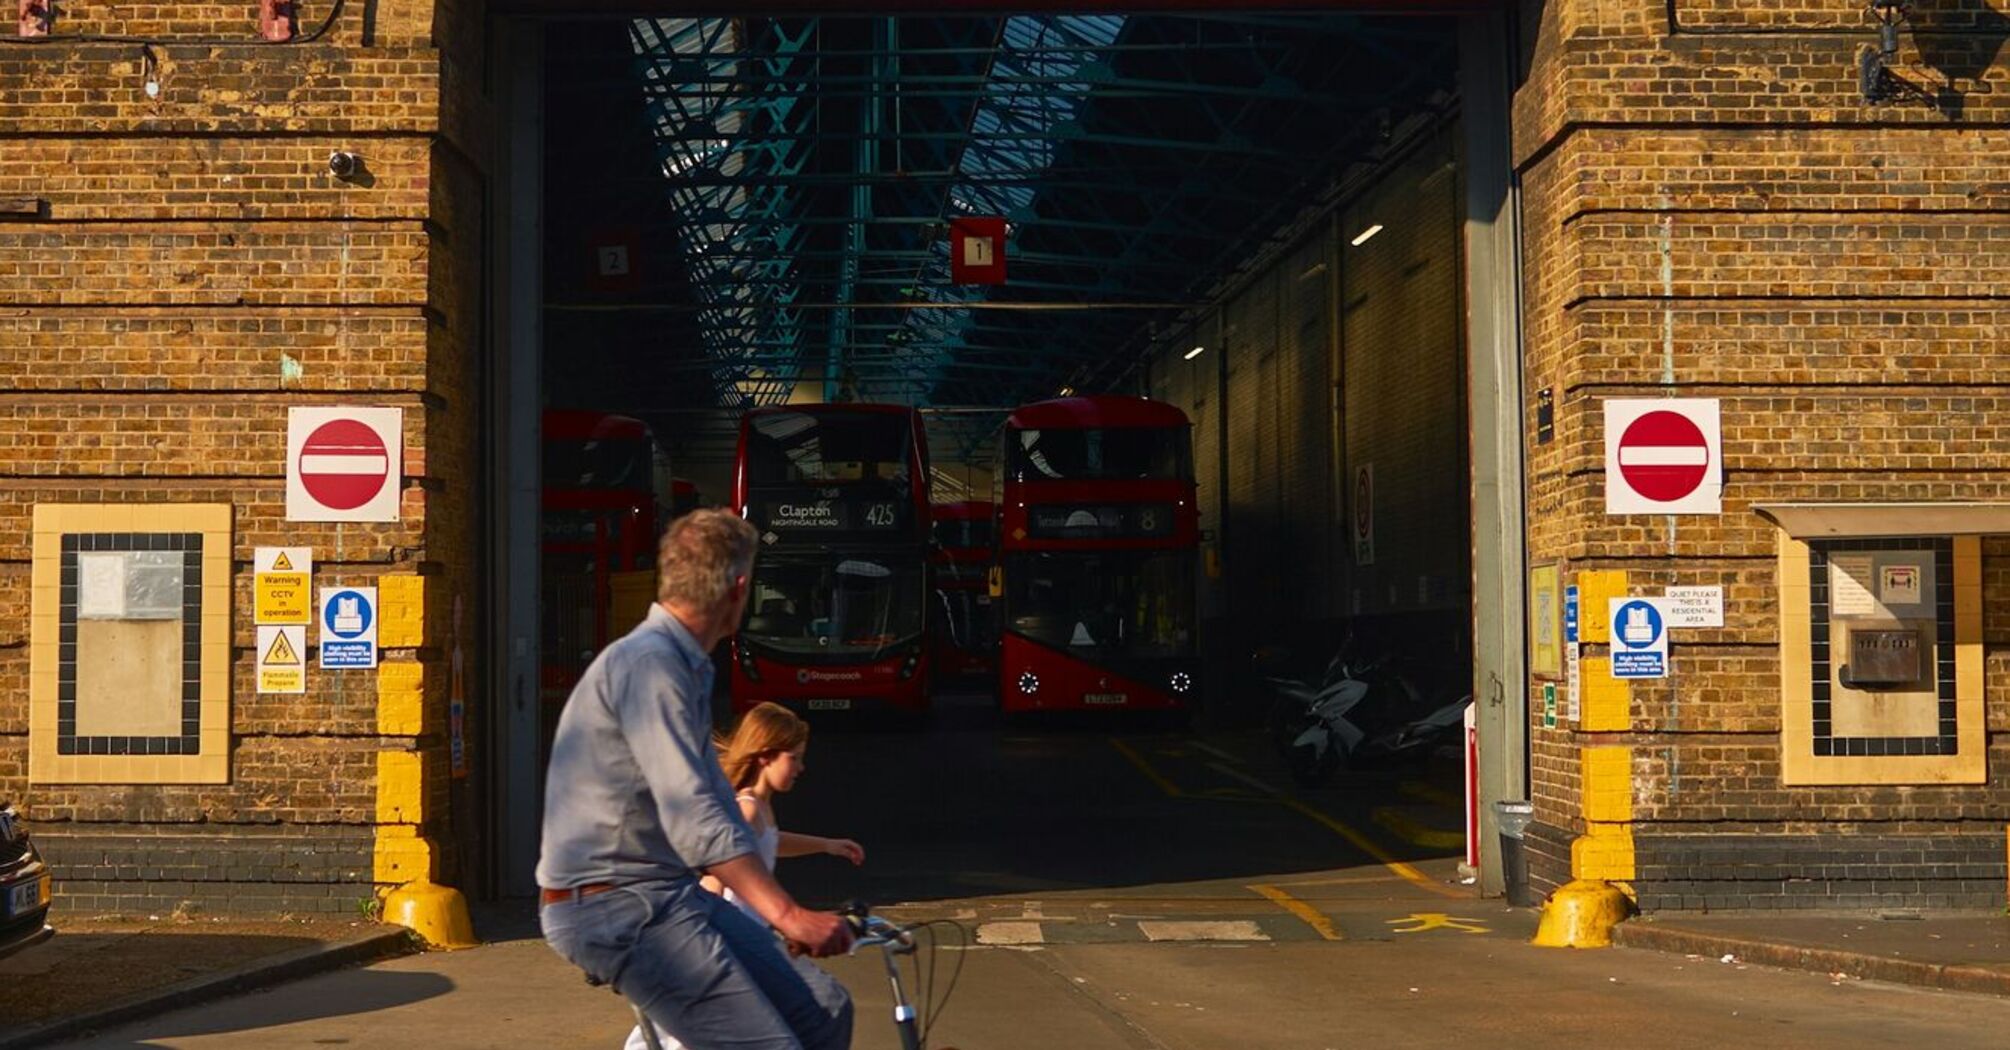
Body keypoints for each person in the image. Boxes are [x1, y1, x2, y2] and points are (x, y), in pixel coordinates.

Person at [539, 509, 855, 1050]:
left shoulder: (686, 668)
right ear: (739, 588)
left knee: (823, 1012)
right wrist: (789, 915)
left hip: (668, 894)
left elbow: (722, 805)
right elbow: (695, 817)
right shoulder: (649, 665)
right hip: (616, 905)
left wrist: (777, 913)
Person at [625, 702, 866, 1050]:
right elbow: (714, 874)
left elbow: (768, 843)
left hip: (746, 935)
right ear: (766, 756)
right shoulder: (747, 808)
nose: (801, 767)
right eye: (793, 758)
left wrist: (827, 845)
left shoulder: (759, 808)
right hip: (728, 940)